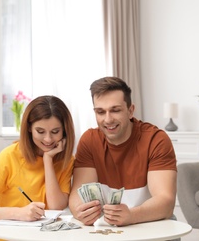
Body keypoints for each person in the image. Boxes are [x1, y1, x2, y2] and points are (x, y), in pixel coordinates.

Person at [69, 76, 177, 227]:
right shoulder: (89, 140)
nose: (107, 120)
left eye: (115, 110)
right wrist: (79, 211)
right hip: (109, 228)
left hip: (150, 223)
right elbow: (77, 193)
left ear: (130, 110)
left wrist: (131, 215)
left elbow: (166, 202)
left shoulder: (156, 140)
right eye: (100, 112)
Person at [0, 95, 75, 239]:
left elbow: (56, 206)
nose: (48, 139)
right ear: (29, 128)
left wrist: (48, 159)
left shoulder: (66, 160)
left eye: (55, 132)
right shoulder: (9, 156)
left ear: (65, 130)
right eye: (40, 131)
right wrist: (18, 213)